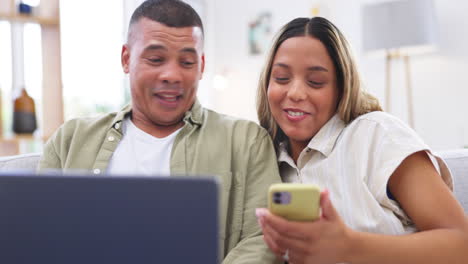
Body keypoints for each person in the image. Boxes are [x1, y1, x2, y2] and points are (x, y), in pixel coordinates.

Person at [38, 0, 282, 263]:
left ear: (201, 66)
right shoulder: (71, 139)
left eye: (187, 62)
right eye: (156, 59)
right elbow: (38, 232)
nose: (171, 75)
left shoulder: (246, 141)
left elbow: (263, 240)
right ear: (126, 59)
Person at [255, 17, 468, 263]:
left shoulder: (377, 136)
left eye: (315, 82)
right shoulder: (262, 156)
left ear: (342, 88)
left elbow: (461, 243)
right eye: (281, 78)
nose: (295, 93)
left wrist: (348, 245)